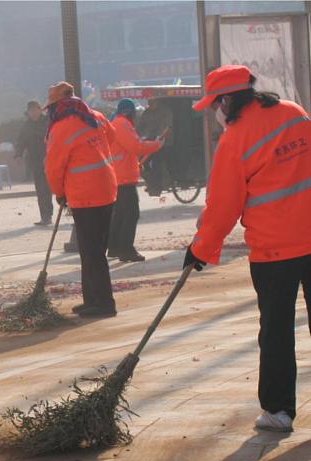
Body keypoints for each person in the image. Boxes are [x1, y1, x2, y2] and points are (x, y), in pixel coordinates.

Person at [184, 65, 311, 433]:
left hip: (275, 250)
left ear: (226, 101)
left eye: (214, 106)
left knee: (276, 330)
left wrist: (201, 249)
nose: (215, 114)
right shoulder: (295, 113)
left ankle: (279, 410)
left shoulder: (236, 140)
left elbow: (224, 206)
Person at [45, 81, 118, 318]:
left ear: (57, 105)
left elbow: (54, 167)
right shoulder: (94, 116)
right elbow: (113, 137)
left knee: (91, 251)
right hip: (107, 188)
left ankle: (104, 303)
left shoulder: (61, 127)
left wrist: (59, 193)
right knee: (95, 249)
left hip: (85, 195)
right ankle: (92, 300)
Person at [107, 98, 163, 262]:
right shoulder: (122, 124)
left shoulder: (116, 123)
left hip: (119, 175)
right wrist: (156, 145)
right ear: (130, 111)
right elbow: (136, 146)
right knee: (131, 214)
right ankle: (126, 249)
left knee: (121, 214)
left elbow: (127, 150)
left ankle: (115, 246)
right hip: (123, 178)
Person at [15, 100, 53, 226]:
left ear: (40, 110)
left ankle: (49, 215)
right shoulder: (27, 126)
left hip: (50, 160)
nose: (33, 113)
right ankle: (45, 216)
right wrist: (18, 155)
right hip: (35, 161)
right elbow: (21, 141)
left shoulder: (48, 122)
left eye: (35, 110)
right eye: (31, 111)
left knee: (47, 188)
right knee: (40, 189)